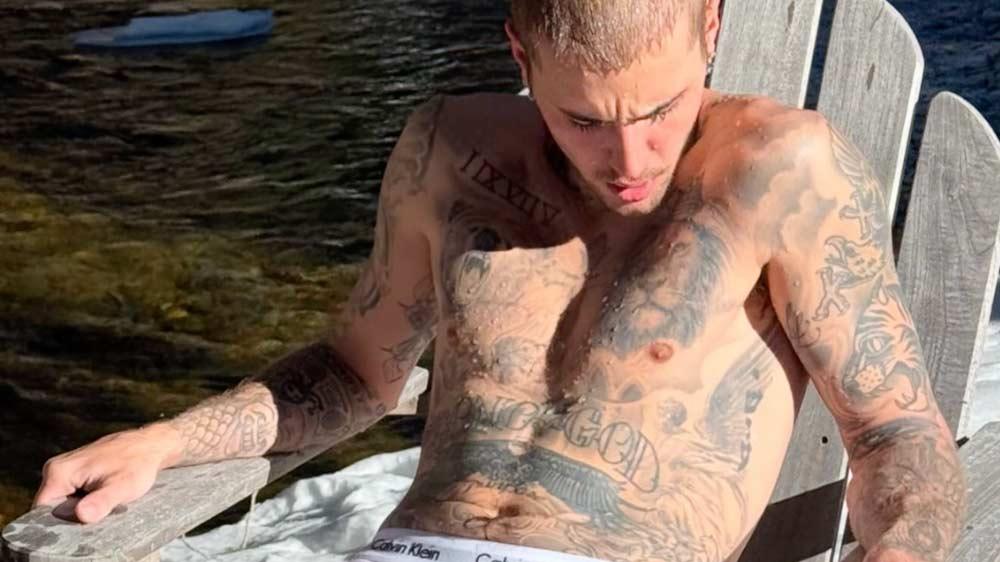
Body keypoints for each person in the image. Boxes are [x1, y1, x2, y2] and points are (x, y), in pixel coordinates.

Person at [32, 1, 967, 561]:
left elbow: (895, 431)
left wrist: (905, 548)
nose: (630, 158)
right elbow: (355, 372)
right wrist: (168, 439)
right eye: (584, 120)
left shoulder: (781, 171)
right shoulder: (449, 152)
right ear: (520, 57)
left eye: (659, 110)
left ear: (711, 27)